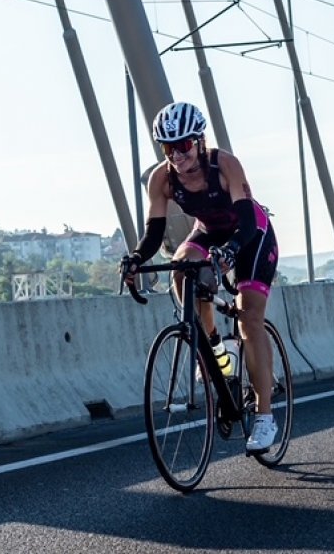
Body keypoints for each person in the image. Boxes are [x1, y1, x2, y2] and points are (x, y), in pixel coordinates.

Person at [123, 101, 280, 452]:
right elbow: (154, 233)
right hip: (209, 231)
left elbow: (246, 220)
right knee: (182, 267)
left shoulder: (223, 164)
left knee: (249, 318)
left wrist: (229, 252)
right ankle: (213, 348)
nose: (176, 155)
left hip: (251, 233)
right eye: (168, 147)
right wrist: (135, 259)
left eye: (183, 145)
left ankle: (266, 419)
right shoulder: (161, 179)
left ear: (199, 141)